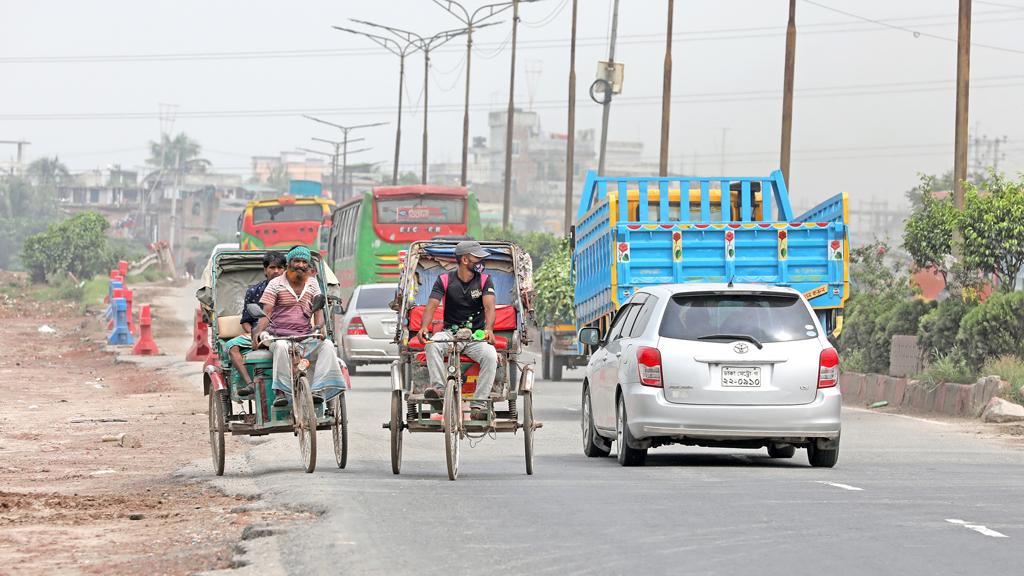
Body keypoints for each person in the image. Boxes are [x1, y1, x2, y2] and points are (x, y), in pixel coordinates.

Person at [253, 246, 345, 408]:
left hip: (305, 336)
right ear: (289, 263)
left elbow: (318, 312)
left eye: (304, 262)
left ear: (308, 265)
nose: (301, 265)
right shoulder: (275, 284)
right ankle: (281, 392)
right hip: (280, 336)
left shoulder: (312, 283)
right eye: (297, 261)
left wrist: (319, 328)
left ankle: (318, 389)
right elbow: (266, 312)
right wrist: (258, 333)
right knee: (281, 347)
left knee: (328, 345)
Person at [416, 240, 497, 421]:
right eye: (477, 257)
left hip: (475, 336)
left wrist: (489, 329)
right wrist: (423, 327)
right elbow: (432, 305)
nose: (481, 261)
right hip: (450, 334)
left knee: (491, 355)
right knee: (432, 345)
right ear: (465, 260)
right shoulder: (444, 280)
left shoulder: (485, 280)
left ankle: (479, 404)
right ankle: (439, 390)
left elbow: (490, 307)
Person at [225, 251, 286, 397]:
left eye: (279, 268)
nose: (276, 271)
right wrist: (254, 333)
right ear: (265, 270)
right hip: (259, 332)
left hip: (285, 331)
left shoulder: (291, 289)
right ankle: (250, 383)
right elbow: (246, 320)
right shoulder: (254, 291)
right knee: (231, 346)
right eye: (272, 268)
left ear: (285, 269)